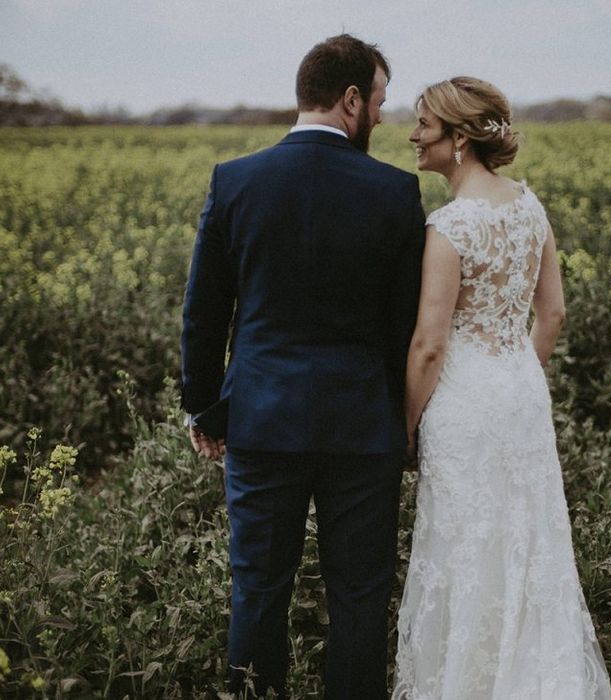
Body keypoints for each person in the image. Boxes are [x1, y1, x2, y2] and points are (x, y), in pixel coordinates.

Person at [180, 34, 425, 699]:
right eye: (377, 102)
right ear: (351, 100)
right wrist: (408, 424)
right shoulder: (397, 192)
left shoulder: (236, 181)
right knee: (357, 598)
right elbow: (406, 328)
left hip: (261, 421)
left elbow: (204, 312)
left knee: (257, 588)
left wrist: (203, 406)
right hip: (363, 428)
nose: (381, 116)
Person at [392, 77, 611, 699]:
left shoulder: (450, 225)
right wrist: (516, 369)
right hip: (518, 396)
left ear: (459, 139)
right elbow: (553, 315)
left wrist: (405, 425)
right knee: (527, 540)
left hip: (463, 404)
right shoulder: (529, 206)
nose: (412, 135)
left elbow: (430, 345)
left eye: (424, 125)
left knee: (466, 547)